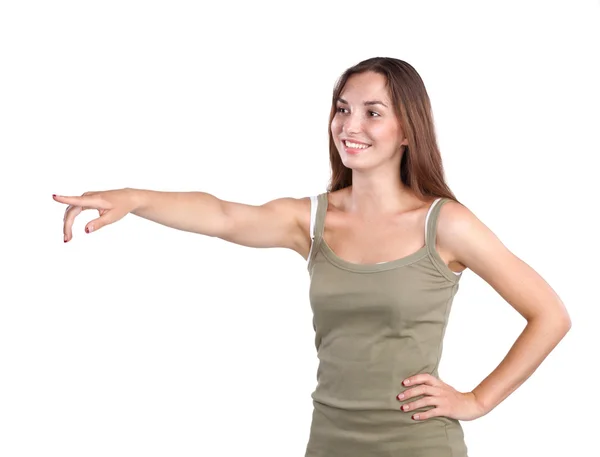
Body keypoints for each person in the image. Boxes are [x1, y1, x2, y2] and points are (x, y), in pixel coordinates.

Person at [53, 57, 571, 456]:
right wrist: (134, 198)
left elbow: (549, 315)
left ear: (407, 130)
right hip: (328, 440)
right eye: (343, 108)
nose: (351, 125)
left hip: (419, 445)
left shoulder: (446, 224)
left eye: (373, 113)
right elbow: (224, 215)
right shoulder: (312, 220)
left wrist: (477, 401)